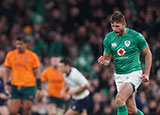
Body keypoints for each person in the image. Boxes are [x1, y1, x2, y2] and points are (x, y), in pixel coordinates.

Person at [98, 11, 152, 115]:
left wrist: (147, 74)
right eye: (112, 26)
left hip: (134, 73)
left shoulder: (136, 36)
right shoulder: (109, 38)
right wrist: (104, 62)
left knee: (119, 99)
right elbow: (107, 60)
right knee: (131, 110)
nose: (115, 29)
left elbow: (148, 54)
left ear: (124, 25)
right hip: (119, 75)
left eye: (117, 26)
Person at [4, 37, 41, 115]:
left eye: (21, 44)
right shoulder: (10, 55)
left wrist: (39, 88)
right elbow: (7, 70)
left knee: (26, 111)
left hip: (29, 86)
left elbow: (37, 73)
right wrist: (6, 83)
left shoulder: (32, 56)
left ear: (26, 44)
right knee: (12, 111)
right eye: (17, 44)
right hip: (15, 85)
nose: (18, 46)